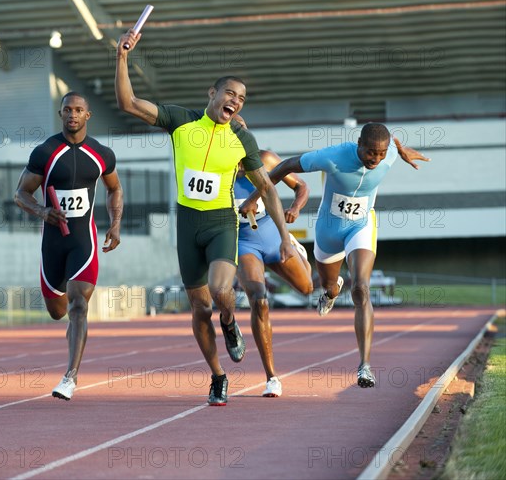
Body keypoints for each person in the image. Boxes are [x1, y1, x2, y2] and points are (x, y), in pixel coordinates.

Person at [115, 29, 295, 406]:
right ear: (211, 94)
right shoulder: (181, 121)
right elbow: (129, 102)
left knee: (219, 291)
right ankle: (217, 376)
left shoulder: (242, 140)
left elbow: (268, 187)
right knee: (199, 308)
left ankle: (230, 322)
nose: (236, 100)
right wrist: (122, 57)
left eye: (242, 98)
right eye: (230, 92)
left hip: (220, 223)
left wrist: (284, 235)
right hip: (188, 225)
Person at [240, 123, 429, 388]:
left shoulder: (390, 154)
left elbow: (392, 141)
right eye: (369, 153)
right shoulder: (334, 156)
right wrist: (254, 196)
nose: (375, 159)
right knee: (328, 284)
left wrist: (401, 149)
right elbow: (286, 167)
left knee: (361, 288)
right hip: (329, 230)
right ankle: (331, 291)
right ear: (358, 144)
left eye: (381, 154)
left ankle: (364, 366)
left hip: (360, 226)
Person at [14, 91, 123, 400]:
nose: (72, 114)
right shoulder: (45, 152)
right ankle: (72, 333)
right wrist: (42, 211)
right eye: (67, 110)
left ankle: (70, 376)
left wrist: (115, 224)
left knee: (79, 304)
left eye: (78, 110)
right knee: (56, 310)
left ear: (88, 115)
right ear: (60, 114)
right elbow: (20, 193)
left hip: (82, 242)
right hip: (52, 244)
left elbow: (115, 189)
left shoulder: (101, 153)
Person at [235, 146, 314, 398]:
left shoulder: (266, 159)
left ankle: (296, 247)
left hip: (272, 235)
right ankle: (272, 377)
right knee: (259, 300)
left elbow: (302, 187)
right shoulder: (216, 168)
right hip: (243, 243)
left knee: (307, 288)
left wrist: (295, 208)